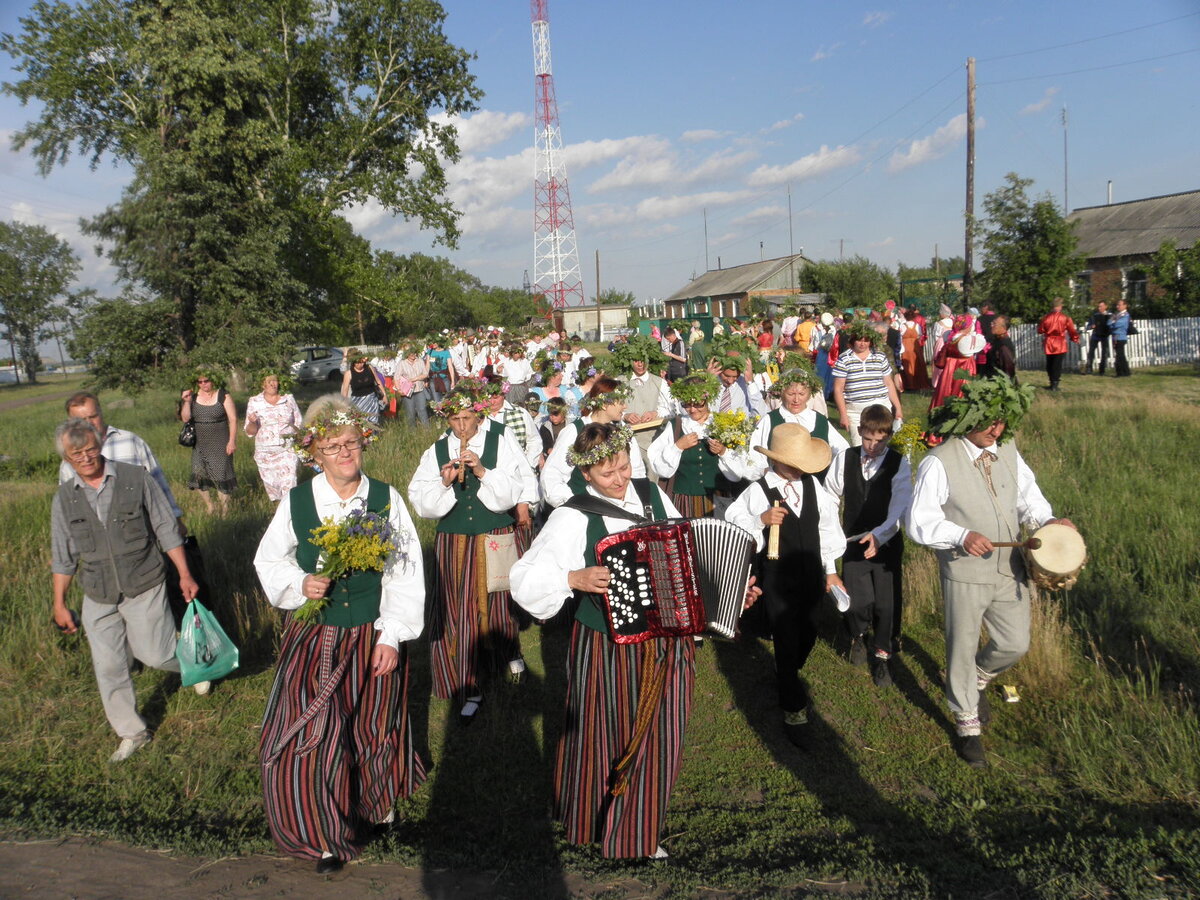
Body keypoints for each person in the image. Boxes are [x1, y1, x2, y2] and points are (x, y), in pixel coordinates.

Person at [510, 422, 756, 859]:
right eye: (608, 474)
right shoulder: (573, 515)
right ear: (586, 475)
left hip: (668, 643)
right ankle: (590, 821)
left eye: (624, 466)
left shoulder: (650, 495)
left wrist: (732, 593)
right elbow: (522, 579)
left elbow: (687, 554)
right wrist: (573, 577)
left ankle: (635, 835)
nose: (620, 479)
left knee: (661, 736)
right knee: (600, 733)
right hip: (608, 645)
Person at [254, 397, 426, 872]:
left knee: (373, 724)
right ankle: (326, 835)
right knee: (317, 731)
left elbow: (405, 572)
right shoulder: (299, 501)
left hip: (372, 632)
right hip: (317, 637)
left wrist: (392, 635)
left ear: (363, 443)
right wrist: (299, 584)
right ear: (315, 452)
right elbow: (269, 560)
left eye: (352, 442)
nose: (345, 453)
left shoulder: (387, 499)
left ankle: (376, 808)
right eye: (333, 446)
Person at [906, 374, 1076, 767]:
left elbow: (1029, 499)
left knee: (1015, 642)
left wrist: (1049, 524)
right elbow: (919, 521)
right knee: (961, 646)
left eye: (1001, 421)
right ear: (966, 417)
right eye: (987, 421)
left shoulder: (1008, 450)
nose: (994, 429)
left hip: (1009, 568)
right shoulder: (940, 460)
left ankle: (979, 678)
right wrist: (961, 535)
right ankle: (967, 725)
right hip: (965, 571)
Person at [51, 419, 204, 764]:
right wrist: (59, 603)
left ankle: (199, 664)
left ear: (99, 445)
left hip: (143, 581)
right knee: (108, 666)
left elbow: (166, 528)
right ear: (67, 459)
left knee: (154, 654)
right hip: (98, 592)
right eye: (77, 454)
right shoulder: (64, 498)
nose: (87, 458)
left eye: (91, 449)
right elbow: (63, 555)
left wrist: (184, 574)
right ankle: (132, 733)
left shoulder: (134, 479)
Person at [407, 385, 530, 719]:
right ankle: (468, 680)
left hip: (493, 532)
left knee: (499, 599)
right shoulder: (436, 450)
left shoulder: (497, 442)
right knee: (458, 606)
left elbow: (511, 489)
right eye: (455, 419)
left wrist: (480, 470)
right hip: (455, 539)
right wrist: (445, 483)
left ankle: (508, 652)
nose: (461, 426)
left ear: (478, 416)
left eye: (467, 418)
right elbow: (421, 501)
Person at [725, 424, 845, 748]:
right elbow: (736, 523)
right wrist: (760, 520)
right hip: (776, 577)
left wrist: (830, 571)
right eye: (791, 462)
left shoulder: (814, 488)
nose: (796, 469)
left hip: (809, 574)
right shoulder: (758, 491)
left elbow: (828, 529)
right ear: (776, 460)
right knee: (787, 636)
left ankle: (787, 668)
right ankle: (794, 709)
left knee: (808, 631)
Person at [823, 404, 911, 687]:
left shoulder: (900, 463)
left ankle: (883, 653)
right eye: (868, 439)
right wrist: (834, 530)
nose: (873, 446)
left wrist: (880, 535)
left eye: (880, 440)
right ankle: (858, 635)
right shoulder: (845, 458)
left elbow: (899, 508)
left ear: (888, 436)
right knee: (859, 599)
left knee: (886, 604)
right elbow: (831, 496)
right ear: (859, 432)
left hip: (886, 546)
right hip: (852, 542)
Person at [59, 391, 185, 533]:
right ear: (71, 423)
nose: (89, 424)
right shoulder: (69, 462)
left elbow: (158, 482)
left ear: (101, 413)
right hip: (100, 537)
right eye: (82, 420)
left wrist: (176, 519)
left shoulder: (130, 441)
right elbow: (70, 505)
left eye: (93, 416)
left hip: (143, 528)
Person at [649, 373, 746, 518]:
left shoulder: (722, 424)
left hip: (717, 500)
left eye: (697, 404)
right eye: (687, 405)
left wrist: (723, 451)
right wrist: (678, 446)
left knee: (717, 539)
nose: (692, 410)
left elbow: (739, 471)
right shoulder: (676, 426)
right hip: (684, 501)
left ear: (708, 399)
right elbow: (660, 468)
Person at [541, 379, 646, 508]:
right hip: (585, 509)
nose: (625, 407)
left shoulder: (622, 431)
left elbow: (637, 470)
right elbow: (552, 475)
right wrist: (573, 504)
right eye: (621, 402)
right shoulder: (575, 431)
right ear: (604, 405)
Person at [737, 365, 847, 483]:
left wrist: (832, 476)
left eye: (801, 394)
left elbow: (843, 450)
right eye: (791, 394)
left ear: (809, 394)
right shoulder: (770, 420)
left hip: (814, 487)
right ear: (782, 393)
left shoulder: (819, 420)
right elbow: (756, 456)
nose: (796, 400)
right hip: (778, 487)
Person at [832, 321, 902, 448]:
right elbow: (838, 389)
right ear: (853, 341)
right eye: (859, 340)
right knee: (859, 446)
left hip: (880, 406)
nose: (863, 344)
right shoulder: (844, 359)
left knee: (882, 443)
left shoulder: (879, 356)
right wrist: (843, 415)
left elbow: (889, 383)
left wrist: (897, 407)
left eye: (866, 340)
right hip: (856, 410)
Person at [180, 370, 237, 513]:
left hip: (221, 441)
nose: (204, 384)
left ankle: (225, 510)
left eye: (206, 380)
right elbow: (185, 418)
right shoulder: (192, 398)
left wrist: (231, 441)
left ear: (213, 380)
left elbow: (233, 419)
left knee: (221, 475)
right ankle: (210, 506)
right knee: (198, 474)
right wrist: (186, 402)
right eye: (200, 382)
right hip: (200, 443)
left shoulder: (223, 395)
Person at [244, 372, 303, 502]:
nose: (272, 384)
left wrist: (301, 441)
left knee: (289, 484)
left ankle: (291, 514)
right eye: (268, 381)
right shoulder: (254, 402)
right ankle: (281, 514)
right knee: (273, 488)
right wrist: (253, 422)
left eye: (275, 381)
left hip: (287, 449)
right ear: (262, 384)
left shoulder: (288, 398)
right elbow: (250, 431)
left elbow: (298, 422)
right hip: (265, 453)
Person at [620, 346, 672, 475]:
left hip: (653, 440)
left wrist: (655, 413)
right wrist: (625, 416)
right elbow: (612, 410)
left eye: (643, 360)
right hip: (627, 439)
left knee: (651, 477)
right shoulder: (620, 382)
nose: (640, 364)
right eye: (636, 360)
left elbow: (671, 408)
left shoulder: (659, 382)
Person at [1036, 299, 1079, 391]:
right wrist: (1075, 338)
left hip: (1049, 342)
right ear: (1060, 306)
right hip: (1060, 342)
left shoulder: (1046, 318)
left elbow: (1040, 330)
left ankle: (1052, 382)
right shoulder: (1065, 317)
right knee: (1057, 364)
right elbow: (1071, 330)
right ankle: (1055, 384)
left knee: (1050, 363)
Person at [341, 350, 388, 424]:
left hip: (372, 400)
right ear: (354, 363)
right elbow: (345, 391)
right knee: (362, 423)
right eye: (358, 363)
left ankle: (375, 435)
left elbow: (378, 381)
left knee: (374, 421)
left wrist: (384, 395)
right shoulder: (349, 373)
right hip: (358, 402)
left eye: (362, 362)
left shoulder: (370, 368)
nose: (360, 364)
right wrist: (344, 404)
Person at [393, 346, 431, 425]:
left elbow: (425, 374)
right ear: (407, 354)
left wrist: (415, 378)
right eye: (411, 353)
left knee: (422, 409)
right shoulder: (402, 363)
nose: (413, 355)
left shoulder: (420, 361)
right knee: (410, 412)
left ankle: (426, 428)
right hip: (407, 391)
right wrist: (399, 390)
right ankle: (412, 431)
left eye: (414, 353)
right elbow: (396, 377)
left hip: (419, 389)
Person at [899, 313, 932, 391]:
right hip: (915, 346)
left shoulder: (903, 325)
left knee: (907, 364)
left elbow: (900, 335)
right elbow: (920, 335)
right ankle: (919, 383)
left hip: (906, 346)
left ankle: (909, 384)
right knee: (917, 363)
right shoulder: (917, 325)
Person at [1108, 298, 1134, 377]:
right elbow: (1109, 323)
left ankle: (1122, 372)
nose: (1117, 306)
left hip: (1121, 337)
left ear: (1125, 306)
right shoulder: (1116, 314)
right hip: (1115, 336)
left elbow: (1117, 324)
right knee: (1119, 355)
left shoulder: (1125, 315)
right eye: (1117, 305)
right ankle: (1124, 372)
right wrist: (1113, 323)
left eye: (1119, 305)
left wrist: (1113, 323)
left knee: (1120, 355)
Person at [1084, 301, 1111, 376]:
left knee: (1104, 353)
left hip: (1104, 336)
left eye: (1101, 306)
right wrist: (1091, 326)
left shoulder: (1109, 315)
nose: (1100, 308)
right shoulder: (1094, 315)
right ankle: (1089, 368)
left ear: (1106, 306)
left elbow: (1111, 325)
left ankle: (1102, 370)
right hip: (1095, 335)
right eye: (1099, 306)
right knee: (1091, 352)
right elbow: (1088, 326)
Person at [990, 317, 1018, 381]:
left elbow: (1009, 370)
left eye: (994, 324)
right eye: (992, 323)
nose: (991, 325)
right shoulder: (997, 340)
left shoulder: (1004, 346)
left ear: (1003, 328)